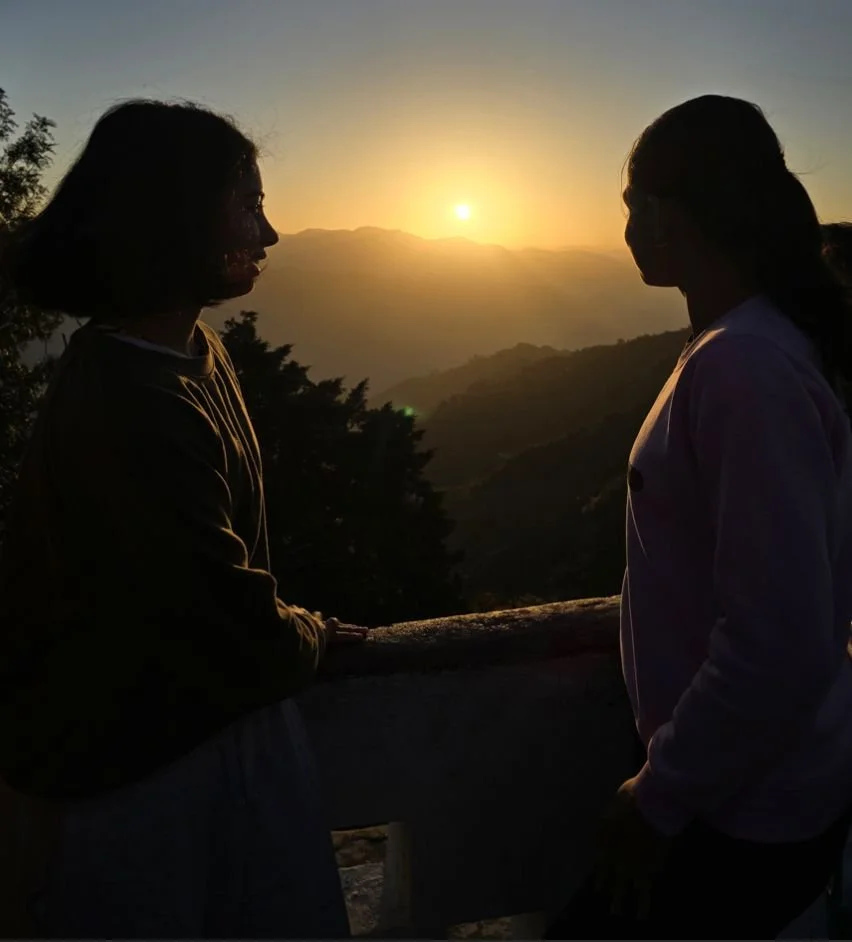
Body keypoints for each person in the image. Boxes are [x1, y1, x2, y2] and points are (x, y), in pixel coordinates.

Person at [0, 100, 366, 938]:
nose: (270, 235)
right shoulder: (131, 399)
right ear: (177, 220)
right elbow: (227, 625)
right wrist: (310, 631)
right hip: (139, 784)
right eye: (248, 206)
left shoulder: (194, 356)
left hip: (199, 753)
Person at [546, 95, 852, 939]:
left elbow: (779, 641)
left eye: (633, 206)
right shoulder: (749, 347)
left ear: (684, 212)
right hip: (749, 786)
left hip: (738, 809)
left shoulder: (742, 370)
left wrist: (659, 794)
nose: (625, 230)